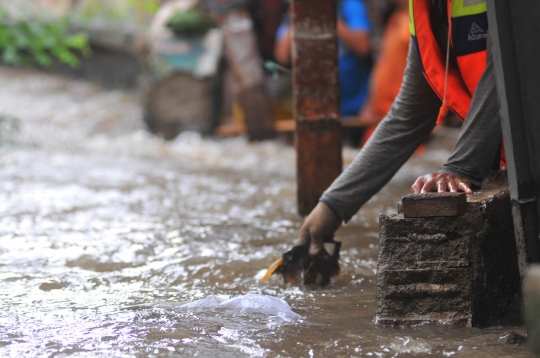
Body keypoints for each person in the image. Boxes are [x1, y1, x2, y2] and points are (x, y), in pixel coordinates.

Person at [297, 0, 504, 258]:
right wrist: (331, 207)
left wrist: (460, 167)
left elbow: (506, 68)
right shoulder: (423, 9)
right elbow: (409, 114)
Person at [274, 0, 373, 118]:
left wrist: (327, 16)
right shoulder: (297, 9)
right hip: (316, 107)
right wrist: (301, 15)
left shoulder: (348, 5)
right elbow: (282, 56)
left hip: (354, 106)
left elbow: (363, 46)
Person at [357, 0, 410, 147]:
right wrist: (370, 102)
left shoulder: (416, 21)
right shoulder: (395, 17)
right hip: (381, 114)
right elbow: (384, 64)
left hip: (406, 117)